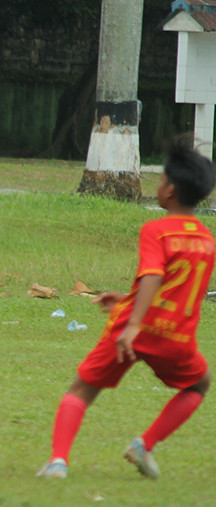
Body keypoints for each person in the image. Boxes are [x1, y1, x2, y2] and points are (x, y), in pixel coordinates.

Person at [37, 137, 215, 480]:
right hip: (175, 337)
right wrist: (125, 298)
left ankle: (58, 462)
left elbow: (152, 274)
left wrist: (133, 322)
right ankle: (143, 445)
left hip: (133, 331)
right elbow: (174, 291)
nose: (158, 185)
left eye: (161, 180)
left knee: (82, 389)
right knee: (199, 385)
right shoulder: (207, 240)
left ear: (170, 191)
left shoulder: (157, 230)